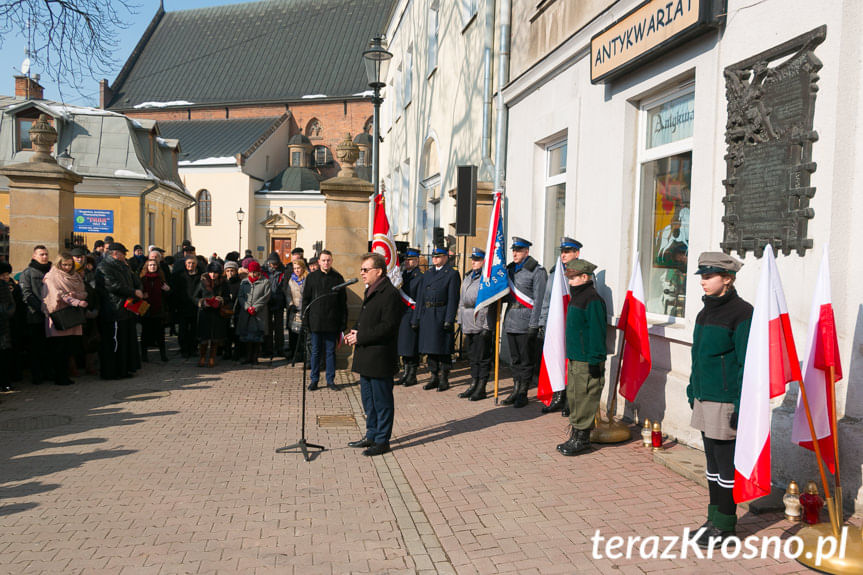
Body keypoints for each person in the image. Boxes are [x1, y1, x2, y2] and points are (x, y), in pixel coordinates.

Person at [687, 252, 751, 547]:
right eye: (702, 275)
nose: (703, 281)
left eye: (709, 276)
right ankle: (713, 519)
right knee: (711, 462)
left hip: (725, 400)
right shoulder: (705, 312)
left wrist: (740, 403)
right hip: (704, 395)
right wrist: (692, 388)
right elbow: (697, 355)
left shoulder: (742, 313)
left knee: (725, 464)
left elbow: (745, 363)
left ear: (727, 278)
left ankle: (726, 525)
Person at [344, 252, 404, 456]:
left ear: (378, 271)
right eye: (361, 269)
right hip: (367, 356)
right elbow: (366, 320)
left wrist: (361, 336)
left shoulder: (390, 294)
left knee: (382, 401)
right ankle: (371, 434)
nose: (361, 273)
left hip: (380, 357)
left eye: (365, 270)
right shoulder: (370, 290)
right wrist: (354, 332)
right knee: (369, 401)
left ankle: (382, 440)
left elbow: (388, 327)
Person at [557, 259, 608, 456]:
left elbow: (597, 332)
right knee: (576, 397)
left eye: (573, 278)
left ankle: (582, 439)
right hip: (576, 357)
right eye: (569, 277)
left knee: (585, 398)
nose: (569, 281)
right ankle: (576, 435)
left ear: (584, 277)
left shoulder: (592, 299)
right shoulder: (578, 297)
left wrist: (595, 360)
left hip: (587, 360)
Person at [538, 237, 583, 415]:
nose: (563, 255)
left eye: (568, 252)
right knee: (556, 358)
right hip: (556, 325)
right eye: (562, 252)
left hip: (572, 324)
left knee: (571, 364)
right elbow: (547, 300)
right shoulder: (555, 272)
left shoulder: (583, 273)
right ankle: (558, 396)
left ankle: (570, 400)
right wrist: (542, 322)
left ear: (576, 253)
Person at [502, 237, 546, 407]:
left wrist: (534, 324)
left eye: (518, 250)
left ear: (526, 252)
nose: (514, 253)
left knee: (526, 359)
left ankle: (523, 392)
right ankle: (515, 388)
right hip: (511, 318)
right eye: (513, 250)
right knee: (515, 359)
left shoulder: (536, 271)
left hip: (526, 321)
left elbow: (539, 299)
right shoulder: (509, 269)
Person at [411, 246, 460, 392]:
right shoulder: (428, 274)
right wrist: (417, 317)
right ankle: (434, 376)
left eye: (438, 256)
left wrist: (449, 319)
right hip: (428, 313)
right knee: (430, 349)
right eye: (434, 257)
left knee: (443, 349)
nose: (435, 259)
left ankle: (444, 377)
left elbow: (453, 298)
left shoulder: (451, 274)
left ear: (445, 257)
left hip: (441, 313)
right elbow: (420, 298)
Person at [95, 243, 142, 379]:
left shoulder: (124, 266)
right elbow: (113, 285)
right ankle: (112, 372)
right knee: (113, 342)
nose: (125, 256)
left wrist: (137, 289)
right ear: (115, 253)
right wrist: (133, 291)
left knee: (124, 341)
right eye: (123, 253)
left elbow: (134, 280)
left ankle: (124, 369)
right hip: (113, 310)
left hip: (126, 309)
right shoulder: (104, 267)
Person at [302, 250, 347, 390]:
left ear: (331, 261)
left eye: (328, 260)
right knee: (315, 352)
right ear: (319, 262)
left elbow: (342, 303)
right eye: (323, 260)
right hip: (315, 321)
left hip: (332, 322)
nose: (326, 263)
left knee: (330, 352)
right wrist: (305, 320)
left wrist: (342, 322)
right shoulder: (312, 278)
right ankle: (314, 380)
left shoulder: (338, 278)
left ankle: (330, 380)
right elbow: (306, 300)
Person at [42, 253, 89, 386]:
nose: (67, 267)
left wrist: (76, 295)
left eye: (70, 264)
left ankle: (65, 375)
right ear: (59, 264)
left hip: (72, 315)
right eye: (65, 264)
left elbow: (84, 293)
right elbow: (58, 294)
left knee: (69, 348)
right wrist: (76, 301)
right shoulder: (51, 277)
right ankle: (59, 376)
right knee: (59, 348)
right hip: (59, 315)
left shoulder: (76, 276)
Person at [457, 248, 493, 400]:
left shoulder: (487, 279)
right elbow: (462, 301)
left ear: (484, 261)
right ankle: (474, 382)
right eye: (473, 259)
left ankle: (482, 386)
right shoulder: (468, 276)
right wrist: (460, 320)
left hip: (480, 323)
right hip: (468, 321)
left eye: (477, 259)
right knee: (472, 357)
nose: (473, 262)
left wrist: (486, 326)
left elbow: (489, 305)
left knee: (482, 357)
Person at [20, 245, 52, 384]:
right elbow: (26, 294)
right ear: (34, 256)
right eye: (41, 254)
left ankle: (48, 372)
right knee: (36, 348)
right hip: (35, 316)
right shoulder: (27, 273)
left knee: (49, 347)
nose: (44, 257)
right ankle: (37, 375)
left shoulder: (53, 271)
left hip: (52, 315)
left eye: (46, 254)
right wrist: (41, 308)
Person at [195, 261, 230, 367]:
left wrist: (221, 300)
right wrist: (202, 302)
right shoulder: (202, 282)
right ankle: (202, 357)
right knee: (204, 338)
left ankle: (212, 358)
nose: (213, 275)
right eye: (211, 272)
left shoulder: (223, 283)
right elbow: (194, 296)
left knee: (215, 338)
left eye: (215, 272)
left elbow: (228, 297)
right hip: (204, 313)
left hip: (217, 314)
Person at [235, 260, 271, 365]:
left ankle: (255, 357)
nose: (254, 274)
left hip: (259, 313)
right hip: (246, 313)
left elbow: (266, 297)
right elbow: (240, 296)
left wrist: (255, 307)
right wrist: (247, 307)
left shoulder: (265, 282)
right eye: (252, 272)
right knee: (247, 336)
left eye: (256, 272)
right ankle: (248, 356)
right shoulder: (244, 282)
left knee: (257, 336)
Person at [396, 248, 422, 387]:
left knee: (411, 347)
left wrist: (416, 318)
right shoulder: (403, 275)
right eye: (406, 259)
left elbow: (420, 299)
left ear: (417, 261)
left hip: (411, 314)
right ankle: (405, 373)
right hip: (402, 314)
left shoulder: (419, 276)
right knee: (403, 347)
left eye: (410, 260)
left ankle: (412, 375)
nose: (407, 262)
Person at [139, 259, 170, 362]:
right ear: (147, 267)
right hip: (146, 310)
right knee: (145, 334)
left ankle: (163, 355)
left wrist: (168, 290)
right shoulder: (142, 279)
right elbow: (137, 293)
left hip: (158, 310)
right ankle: (144, 355)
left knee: (160, 334)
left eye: (154, 265)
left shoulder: (161, 279)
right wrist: (142, 295)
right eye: (150, 265)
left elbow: (167, 296)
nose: (152, 267)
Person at [172, 255, 201, 358]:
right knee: (183, 330)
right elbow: (175, 292)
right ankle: (184, 349)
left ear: (196, 264)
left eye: (193, 263)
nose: (191, 265)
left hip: (196, 307)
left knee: (195, 330)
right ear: (185, 264)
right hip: (182, 307)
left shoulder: (201, 276)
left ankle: (193, 349)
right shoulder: (179, 276)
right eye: (189, 263)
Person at [264, 252, 290, 357]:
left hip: (279, 302)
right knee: (268, 327)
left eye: (276, 264)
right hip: (267, 302)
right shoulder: (264, 271)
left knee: (279, 327)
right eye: (272, 263)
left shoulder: (283, 272)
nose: (274, 266)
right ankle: (268, 348)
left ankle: (280, 348)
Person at [286, 258, 308, 363]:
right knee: (294, 333)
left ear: (303, 268)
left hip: (305, 309)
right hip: (295, 311)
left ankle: (304, 354)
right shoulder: (291, 280)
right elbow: (288, 294)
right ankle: (295, 353)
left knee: (304, 335)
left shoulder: (308, 279)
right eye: (295, 268)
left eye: (298, 268)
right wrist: (291, 305)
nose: (296, 270)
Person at [0, 261, 16, 392]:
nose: (5, 277)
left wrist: (5, 313)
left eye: (6, 274)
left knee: (4, 355)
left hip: (3, 325)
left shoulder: (6, 286)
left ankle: (5, 381)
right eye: (2, 274)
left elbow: (11, 305)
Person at [223, 261, 242, 360]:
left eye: (232, 271)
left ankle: (237, 353)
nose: (230, 273)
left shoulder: (239, 283)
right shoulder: (223, 283)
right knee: (226, 333)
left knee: (236, 333)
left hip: (237, 311)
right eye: (228, 271)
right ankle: (227, 351)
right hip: (225, 311)